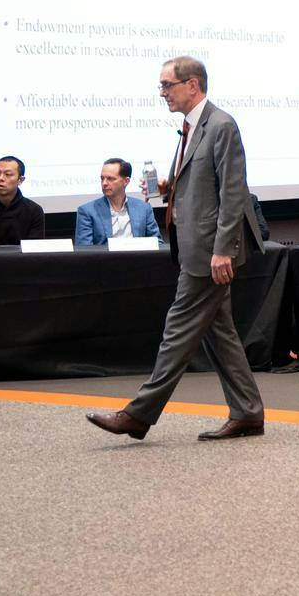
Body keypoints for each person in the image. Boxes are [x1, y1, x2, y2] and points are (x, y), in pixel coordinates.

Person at [88, 56, 264, 442]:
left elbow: (233, 193)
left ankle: (139, 414)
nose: (163, 93)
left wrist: (223, 250)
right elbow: (202, 182)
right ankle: (249, 413)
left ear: (193, 85)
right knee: (221, 334)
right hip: (193, 247)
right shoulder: (190, 127)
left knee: (177, 330)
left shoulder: (221, 125)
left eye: (167, 85)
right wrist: (170, 188)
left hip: (208, 252)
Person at [74, 158, 160, 245]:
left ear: (126, 181)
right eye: (102, 178)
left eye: (110, 179)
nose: (104, 183)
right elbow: (84, 250)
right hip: (105, 258)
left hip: (137, 257)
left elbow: (157, 243)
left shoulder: (143, 208)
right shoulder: (87, 211)